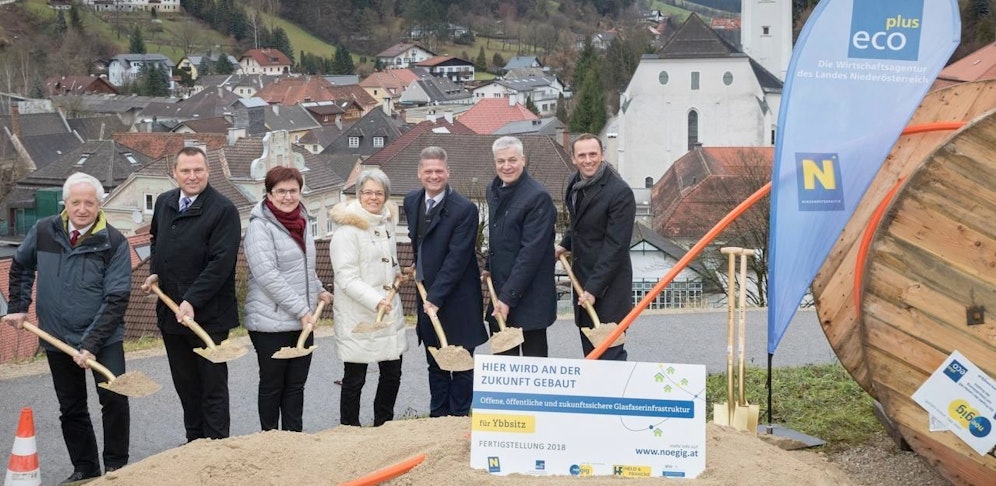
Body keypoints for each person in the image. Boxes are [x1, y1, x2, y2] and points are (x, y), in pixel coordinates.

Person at [3, 172, 131, 484]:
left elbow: (116, 298)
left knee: (114, 399)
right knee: (71, 407)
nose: (82, 209)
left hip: (103, 339)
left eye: (89, 203)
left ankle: (117, 468)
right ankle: (85, 468)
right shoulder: (44, 230)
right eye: (76, 202)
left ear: (99, 205)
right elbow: (20, 265)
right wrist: (18, 305)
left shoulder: (114, 242)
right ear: (66, 203)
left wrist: (91, 343)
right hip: (56, 336)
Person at [142, 146, 241, 441]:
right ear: (174, 173)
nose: (192, 176)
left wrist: (192, 300)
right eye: (185, 170)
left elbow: (221, 263)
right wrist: (155, 272)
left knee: (212, 387)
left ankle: (217, 446)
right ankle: (195, 445)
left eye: (198, 170)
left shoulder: (223, 210)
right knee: (186, 386)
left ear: (208, 171)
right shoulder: (164, 202)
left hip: (209, 316)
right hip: (172, 314)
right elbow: (157, 242)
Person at [243, 166, 333, 432]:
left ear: (300, 192)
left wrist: (319, 289)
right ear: (269, 194)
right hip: (270, 322)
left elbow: (303, 268)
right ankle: (270, 439)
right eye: (280, 191)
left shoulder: (302, 221)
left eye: (293, 190)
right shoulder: (260, 227)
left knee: (295, 386)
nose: (287, 196)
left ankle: (294, 439)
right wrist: (302, 310)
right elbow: (267, 276)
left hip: (301, 320)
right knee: (273, 385)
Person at [403, 146, 487, 417]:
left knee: (461, 365)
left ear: (448, 172)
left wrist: (435, 298)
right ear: (419, 173)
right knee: (435, 363)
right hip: (428, 297)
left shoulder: (464, 209)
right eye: (428, 171)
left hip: (458, 299)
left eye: (439, 171)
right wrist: (419, 265)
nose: (434, 176)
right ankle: (438, 417)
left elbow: (457, 259)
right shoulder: (412, 201)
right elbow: (420, 242)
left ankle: (459, 417)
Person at [329, 169, 407, 427]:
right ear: (358, 194)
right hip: (359, 313)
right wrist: (376, 300)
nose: (373, 197)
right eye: (368, 192)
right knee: (355, 378)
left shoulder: (386, 223)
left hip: (387, 310)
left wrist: (397, 274)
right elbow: (345, 277)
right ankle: (349, 427)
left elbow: (388, 262)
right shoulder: (347, 231)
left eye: (379, 193)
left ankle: (384, 423)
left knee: (392, 373)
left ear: (386, 196)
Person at [555, 134, 635, 361]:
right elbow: (578, 223)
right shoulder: (574, 183)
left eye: (593, 154)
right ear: (573, 158)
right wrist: (564, 244)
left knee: (610, 355)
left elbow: (616, 246)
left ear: (602, 155)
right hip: (582, 281)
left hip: (609, 288)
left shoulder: (620, 192)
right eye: (582, 155)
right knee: (590, 355)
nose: (588, 160)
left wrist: (594, 289)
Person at [483, 136, 557, 357]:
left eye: (512, 160)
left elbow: (530, 254)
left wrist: (507, 298)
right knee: (502, 366)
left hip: (530, 299)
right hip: (501, 293)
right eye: (501, 161)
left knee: (533, 368)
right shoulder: (492, 190)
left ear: (523, 160)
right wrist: (488, 266)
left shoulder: (538, 197)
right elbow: (499, 237)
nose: (506, 166)